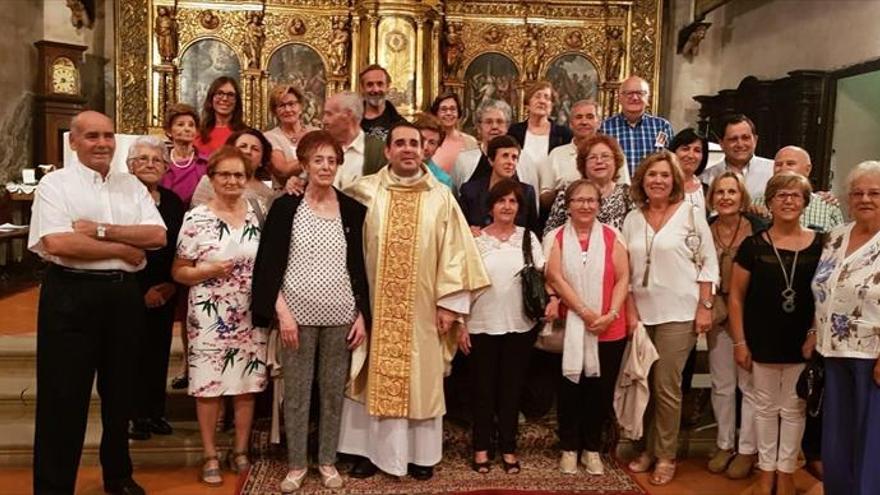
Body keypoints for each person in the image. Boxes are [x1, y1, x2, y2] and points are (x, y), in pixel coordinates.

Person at [338, 123, 490, 481]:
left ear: (425, 151)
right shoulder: (363, 192)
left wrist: (450, 304)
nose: (408, 149)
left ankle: (421, 454)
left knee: (421, 380)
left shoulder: (440, 197)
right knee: (371, 374)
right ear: (388, 151)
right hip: (374, 308)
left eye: (414, 144)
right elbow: (342, 246)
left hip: (423, 310)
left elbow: (456, 253)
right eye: (400, 143)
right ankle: (368, 452)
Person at [29, 111, 166, 495]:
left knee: (121, 392)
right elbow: (58, 242)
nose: (102, 143)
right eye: (92, 136)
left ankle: (118, 475)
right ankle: (53, 487)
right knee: (62, 396)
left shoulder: (131, 186)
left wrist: (101, 231)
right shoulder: (55, 185)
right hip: (70, 295)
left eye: (107, 136)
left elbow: (156, 235)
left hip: (123, 296)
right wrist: (125, 247)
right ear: (73, 142)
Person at [250, 131, 370, 492]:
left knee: (332, 391)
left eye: (331, 160)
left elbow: (358, 266)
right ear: (303, 164)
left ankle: (327, 460)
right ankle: (297, 464)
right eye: (317, 159)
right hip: (295, 317)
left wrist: (362, 313)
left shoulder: (351, 209)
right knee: (298, 393)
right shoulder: (286, 205)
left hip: (341, 315)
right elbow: (269, 264)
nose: (325, 166)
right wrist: (282, 313)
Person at [172, 146, 269, 486]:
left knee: (246, 385)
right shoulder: (196, 218)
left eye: (238, 175)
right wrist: (206, 271)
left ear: (247, 178)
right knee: (209, 386)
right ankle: (210, 453)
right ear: (211, 178)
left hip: (248, 310)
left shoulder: (257, 212)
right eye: (224, 174)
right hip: (209, 312)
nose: (232, 180)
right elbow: (179, 271)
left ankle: (240, 448)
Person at [622, 150, 718, 486]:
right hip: (642, 312)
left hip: (679, 312)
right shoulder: (633, 218)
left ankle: (665, 454)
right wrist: (630, 308)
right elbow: (626, 270)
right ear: (642, 181)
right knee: (643, 382)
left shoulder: (691, 215)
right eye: (652, 175)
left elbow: (708, 262)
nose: (658, 181)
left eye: (664, 175)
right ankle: (645, 448)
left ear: (674, 180)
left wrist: (705, 305)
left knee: (666, 385)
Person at [728, 172, 822, 495]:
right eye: (781, 195)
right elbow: (736, 298)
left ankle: (786, 472)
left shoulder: (821, 244)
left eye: (795, 195)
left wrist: (814, 333)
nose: (788, 201)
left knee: (794, 408)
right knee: (765, 407)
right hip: (761, 338)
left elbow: (826, 295)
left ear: (805, 202)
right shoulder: (752, 246)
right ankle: (766, 470)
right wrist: (740, 341)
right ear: (769, 202)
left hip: (803, 340)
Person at [458, 179, 546, 475]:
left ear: (519, 208)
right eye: (501, 201)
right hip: (480, 326)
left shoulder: (529, 239)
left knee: (511, 391)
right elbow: (462, 286)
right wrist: (461, 325)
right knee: (483, 390)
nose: (507, 206)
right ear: (491, 206)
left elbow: (545, 276)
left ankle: (508, 447)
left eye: (513, 202)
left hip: (519, 327)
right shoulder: (475, 240)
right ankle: (481, 447)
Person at [545, 179, 630, 476]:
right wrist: (585, 312)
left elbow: (623, 278)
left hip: (609, 327)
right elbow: (554, 277)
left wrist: (611, 313)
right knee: (569, 390)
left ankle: (592, 450)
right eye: (578, 200)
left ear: (599, 205)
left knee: (599, 392)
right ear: (568, 205)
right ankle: (569, 448)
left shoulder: (612, 236)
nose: (585, 205)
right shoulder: (555, 237)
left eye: (591, 200)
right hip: (572, 327)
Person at [809, 161, 880, 495]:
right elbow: (825, 291)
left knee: (871, 442)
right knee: (837, 437)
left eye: (874, 193)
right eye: (858, 192)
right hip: (833, 350)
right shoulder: (837, 236)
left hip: (872, 357)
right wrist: (813, 332)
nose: (865, 198)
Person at [704, 171, 766, 478]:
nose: (726, 197)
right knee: (722, 384)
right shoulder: (705, 229)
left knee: (749, 385)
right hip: (718, 313)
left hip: (751, 316)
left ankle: (747, 449)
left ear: (742, 196)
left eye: (732, 192)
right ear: (711, 197)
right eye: (720, 192)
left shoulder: (758, 230)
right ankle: (724, 443)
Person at [126, 137, 186, 442]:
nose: (150, 164)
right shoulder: (121, 199)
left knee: (158, 351)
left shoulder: (174, 202)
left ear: (165, 167)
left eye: (157, 160)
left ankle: (155, 412)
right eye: (143, 159)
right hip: (129, 288)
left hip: (165, 288)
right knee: (132, 353)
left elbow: (182, 245)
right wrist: (142, 291)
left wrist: (172, 285)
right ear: (129, 165)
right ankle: (135, 415)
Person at [539, 99, 630, 210]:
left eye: (590, 117)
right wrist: (565, 192)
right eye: (578, 117)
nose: (584, 122)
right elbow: (544, 199)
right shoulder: (556, 154)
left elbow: (626, 192)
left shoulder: (614, 152)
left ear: (599, 122)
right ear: (571, 124)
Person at [544, 134, 633, 233]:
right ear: (583, 164)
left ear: (616, 162)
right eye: (592, 157)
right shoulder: (568, 192)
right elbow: (550, 233)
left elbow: (634, 236)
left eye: (605, 156)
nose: (599, 161)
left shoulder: (627, 193)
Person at [453, 99, 539, 196]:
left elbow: (533, 203)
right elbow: (455, 200)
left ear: (507, 127)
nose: (494, 126)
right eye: (488, 122)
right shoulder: (464, 161)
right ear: (479, 127)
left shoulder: (525, 160)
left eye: (500, 122)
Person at [753, 145, 844, 234]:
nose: (783, 168)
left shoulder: (828, 207)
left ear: (807, 169)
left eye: (790, 164)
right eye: (778, 164)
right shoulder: (755, 204)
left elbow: (839, 244)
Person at [458, 135, 539, 235]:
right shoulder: (470, 191)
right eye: (505, 156)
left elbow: (533, 232)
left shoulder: (526, 193)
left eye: (514, 157)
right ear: (491, 160)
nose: (510, 162)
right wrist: (468, 231)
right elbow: (458, 229)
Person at [599, 76, 674, 176]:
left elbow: (671, 163)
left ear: (648, 98)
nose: (634, 98)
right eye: (629, 93)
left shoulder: (662, 127)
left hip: (652, 188)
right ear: (619, 98)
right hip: (617, 189)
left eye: (640, 93)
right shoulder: (604, 128)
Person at [191, 128, 276, 208]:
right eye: (243, 146)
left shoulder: (267, 194)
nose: (248, 151)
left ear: (262, 160)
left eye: (255, 149)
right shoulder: (209, 181)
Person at [700, 114, 773, 199]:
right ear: (721, 143)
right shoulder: (706, 178)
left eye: (745, 138)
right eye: (733, 139)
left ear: (755, 140)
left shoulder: (772, 171)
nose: (740, 144)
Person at [324, 91, 387, 190]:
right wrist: (296, 182)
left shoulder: (379, 151)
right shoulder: (321, 147)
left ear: (348, 114)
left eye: (329, 114)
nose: (324, 120)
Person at [507, 80, 573, 171]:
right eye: (537, 96)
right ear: (527, 105)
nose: (542, 101)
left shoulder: (563, 134)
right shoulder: (514, 131)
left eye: (547, 98)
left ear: (551, 106)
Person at [264, 84, 317, 185]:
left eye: (291, 104)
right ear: (275, 111)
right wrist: (316, 157)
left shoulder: (316, 133)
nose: (287, 110)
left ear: (300, 107)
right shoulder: (269, 137)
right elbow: (283, 170)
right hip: (284, 195)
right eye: (281, 105)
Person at [162, 102, 208, 207]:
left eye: (191, 125)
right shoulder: (160, 162)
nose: (187, 129)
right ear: (169, 131)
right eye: (180, 124)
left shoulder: (206, 163)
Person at [195, 76, 246, 157]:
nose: (225, 98)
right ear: (211, 98)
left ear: (237, 101)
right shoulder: (198, 133)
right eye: (220, 93)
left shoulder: (245, 133)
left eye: (230, 95)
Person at [429, 92, 478, 172]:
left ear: (458, 113)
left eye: (452, 109)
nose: (448, 113)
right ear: (436, 113)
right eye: (444, 109)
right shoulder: (428, 141)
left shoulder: (470, 142)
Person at [359, 64, 406, 140]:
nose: (375, 90)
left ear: (388, 87)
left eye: (380, 84)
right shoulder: (350, 122)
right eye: (370, 84)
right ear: (362, 88)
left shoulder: (401, 126)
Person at [670, 128, 710, 214]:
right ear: (673, 152)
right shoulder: (661, 185)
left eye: (697, 150)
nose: (691, 155)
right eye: (685, 149)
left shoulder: (706, 192)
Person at [412, 112, 455, 189]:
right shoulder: (391, 171)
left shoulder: (443, 181)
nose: (425, 147)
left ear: (437, 148)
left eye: (432, 143)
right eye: (422, 139)